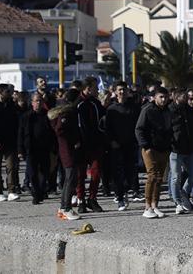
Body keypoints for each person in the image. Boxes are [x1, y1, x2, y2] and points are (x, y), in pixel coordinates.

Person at [135, 86, 173, 219]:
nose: (163, 99)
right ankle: (147, 207)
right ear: (155, 97)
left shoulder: (168, 111)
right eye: (161, 97)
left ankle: (155, 205)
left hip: (164, 148)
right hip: (150, 148)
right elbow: (139, 129)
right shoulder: (147, 110)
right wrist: (145, 146)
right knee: (152, 175)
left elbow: (170, 129)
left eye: (165, 97)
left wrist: (170, 145)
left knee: (159, 178)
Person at [104, 81, 139, 211]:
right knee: (117, 173)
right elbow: (107, 128)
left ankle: (125, 191)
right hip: (116, 145)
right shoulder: (111, 109)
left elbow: (138, 125)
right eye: (119, 90)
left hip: (131, 144)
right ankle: (120, 197)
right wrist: (112, 141)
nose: (122, 92)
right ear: (115, 91)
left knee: (131, 173)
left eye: (124, 89)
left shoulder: (134, 107)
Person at [49, 89, 82, 221]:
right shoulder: (67, 113)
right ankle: (66, 208)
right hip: (67, 150)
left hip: (68, 149)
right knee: (70, 179)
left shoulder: (68, 112)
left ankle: (63, 207)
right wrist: (73, 141)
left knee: (70, 179)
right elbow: (60, 130)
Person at [74, 77, 106, 213]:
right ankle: (81, 200)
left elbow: (102, 120)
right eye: (94, 87)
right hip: (80, 145)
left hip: (95, 145)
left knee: (96, 172)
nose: (97, 90)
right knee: (80, 175)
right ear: (87, 88)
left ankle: (92, 198)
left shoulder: (95, 103)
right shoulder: (77, 103)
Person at [18, 93, 56, 205]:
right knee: (32, 173)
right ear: (32, 102)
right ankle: (36, 193)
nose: (38, 103)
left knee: (44, 172)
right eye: (36, 101)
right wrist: (20, 150)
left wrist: (54, 149)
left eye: (40, 101)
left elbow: (53, 133)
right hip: (31, 149)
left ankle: (41, 191)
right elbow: (20, 134)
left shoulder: (47, 115)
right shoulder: (26, 116)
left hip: (44, 148)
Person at [169, 89, 193, 214]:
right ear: (176, 97)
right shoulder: (170, 110)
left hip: (191, 148)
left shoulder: (192, 111)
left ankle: (183, 193)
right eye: (184, 97)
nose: (187, 99)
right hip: (176, 149)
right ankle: (177, 202)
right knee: (176, 176)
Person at [0, 84, 21, 202]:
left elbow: (16, 122)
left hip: (10, 141)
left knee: (11, 166)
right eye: (6, 91)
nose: (9, 93)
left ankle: (11, 190)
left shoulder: (10, 105)